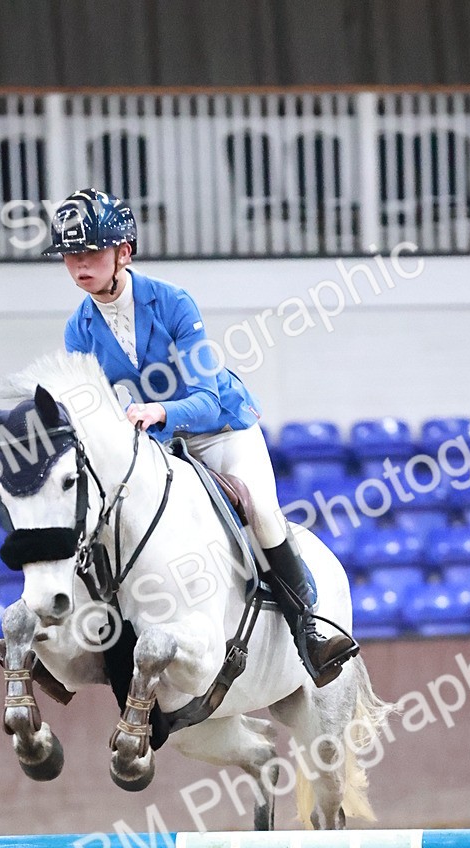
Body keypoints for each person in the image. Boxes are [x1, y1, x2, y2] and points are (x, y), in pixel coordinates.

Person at [43, 188, 357, 687]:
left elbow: (207, 399)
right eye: (70, 256)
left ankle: (310, 628)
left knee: (260, 509)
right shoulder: (78, 328)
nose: (79, 265)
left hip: (220, 427)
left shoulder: (172, 303)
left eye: (91, 253)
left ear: (123, 252)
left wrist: (157, 410)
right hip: (156, 443)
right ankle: (88, 647)